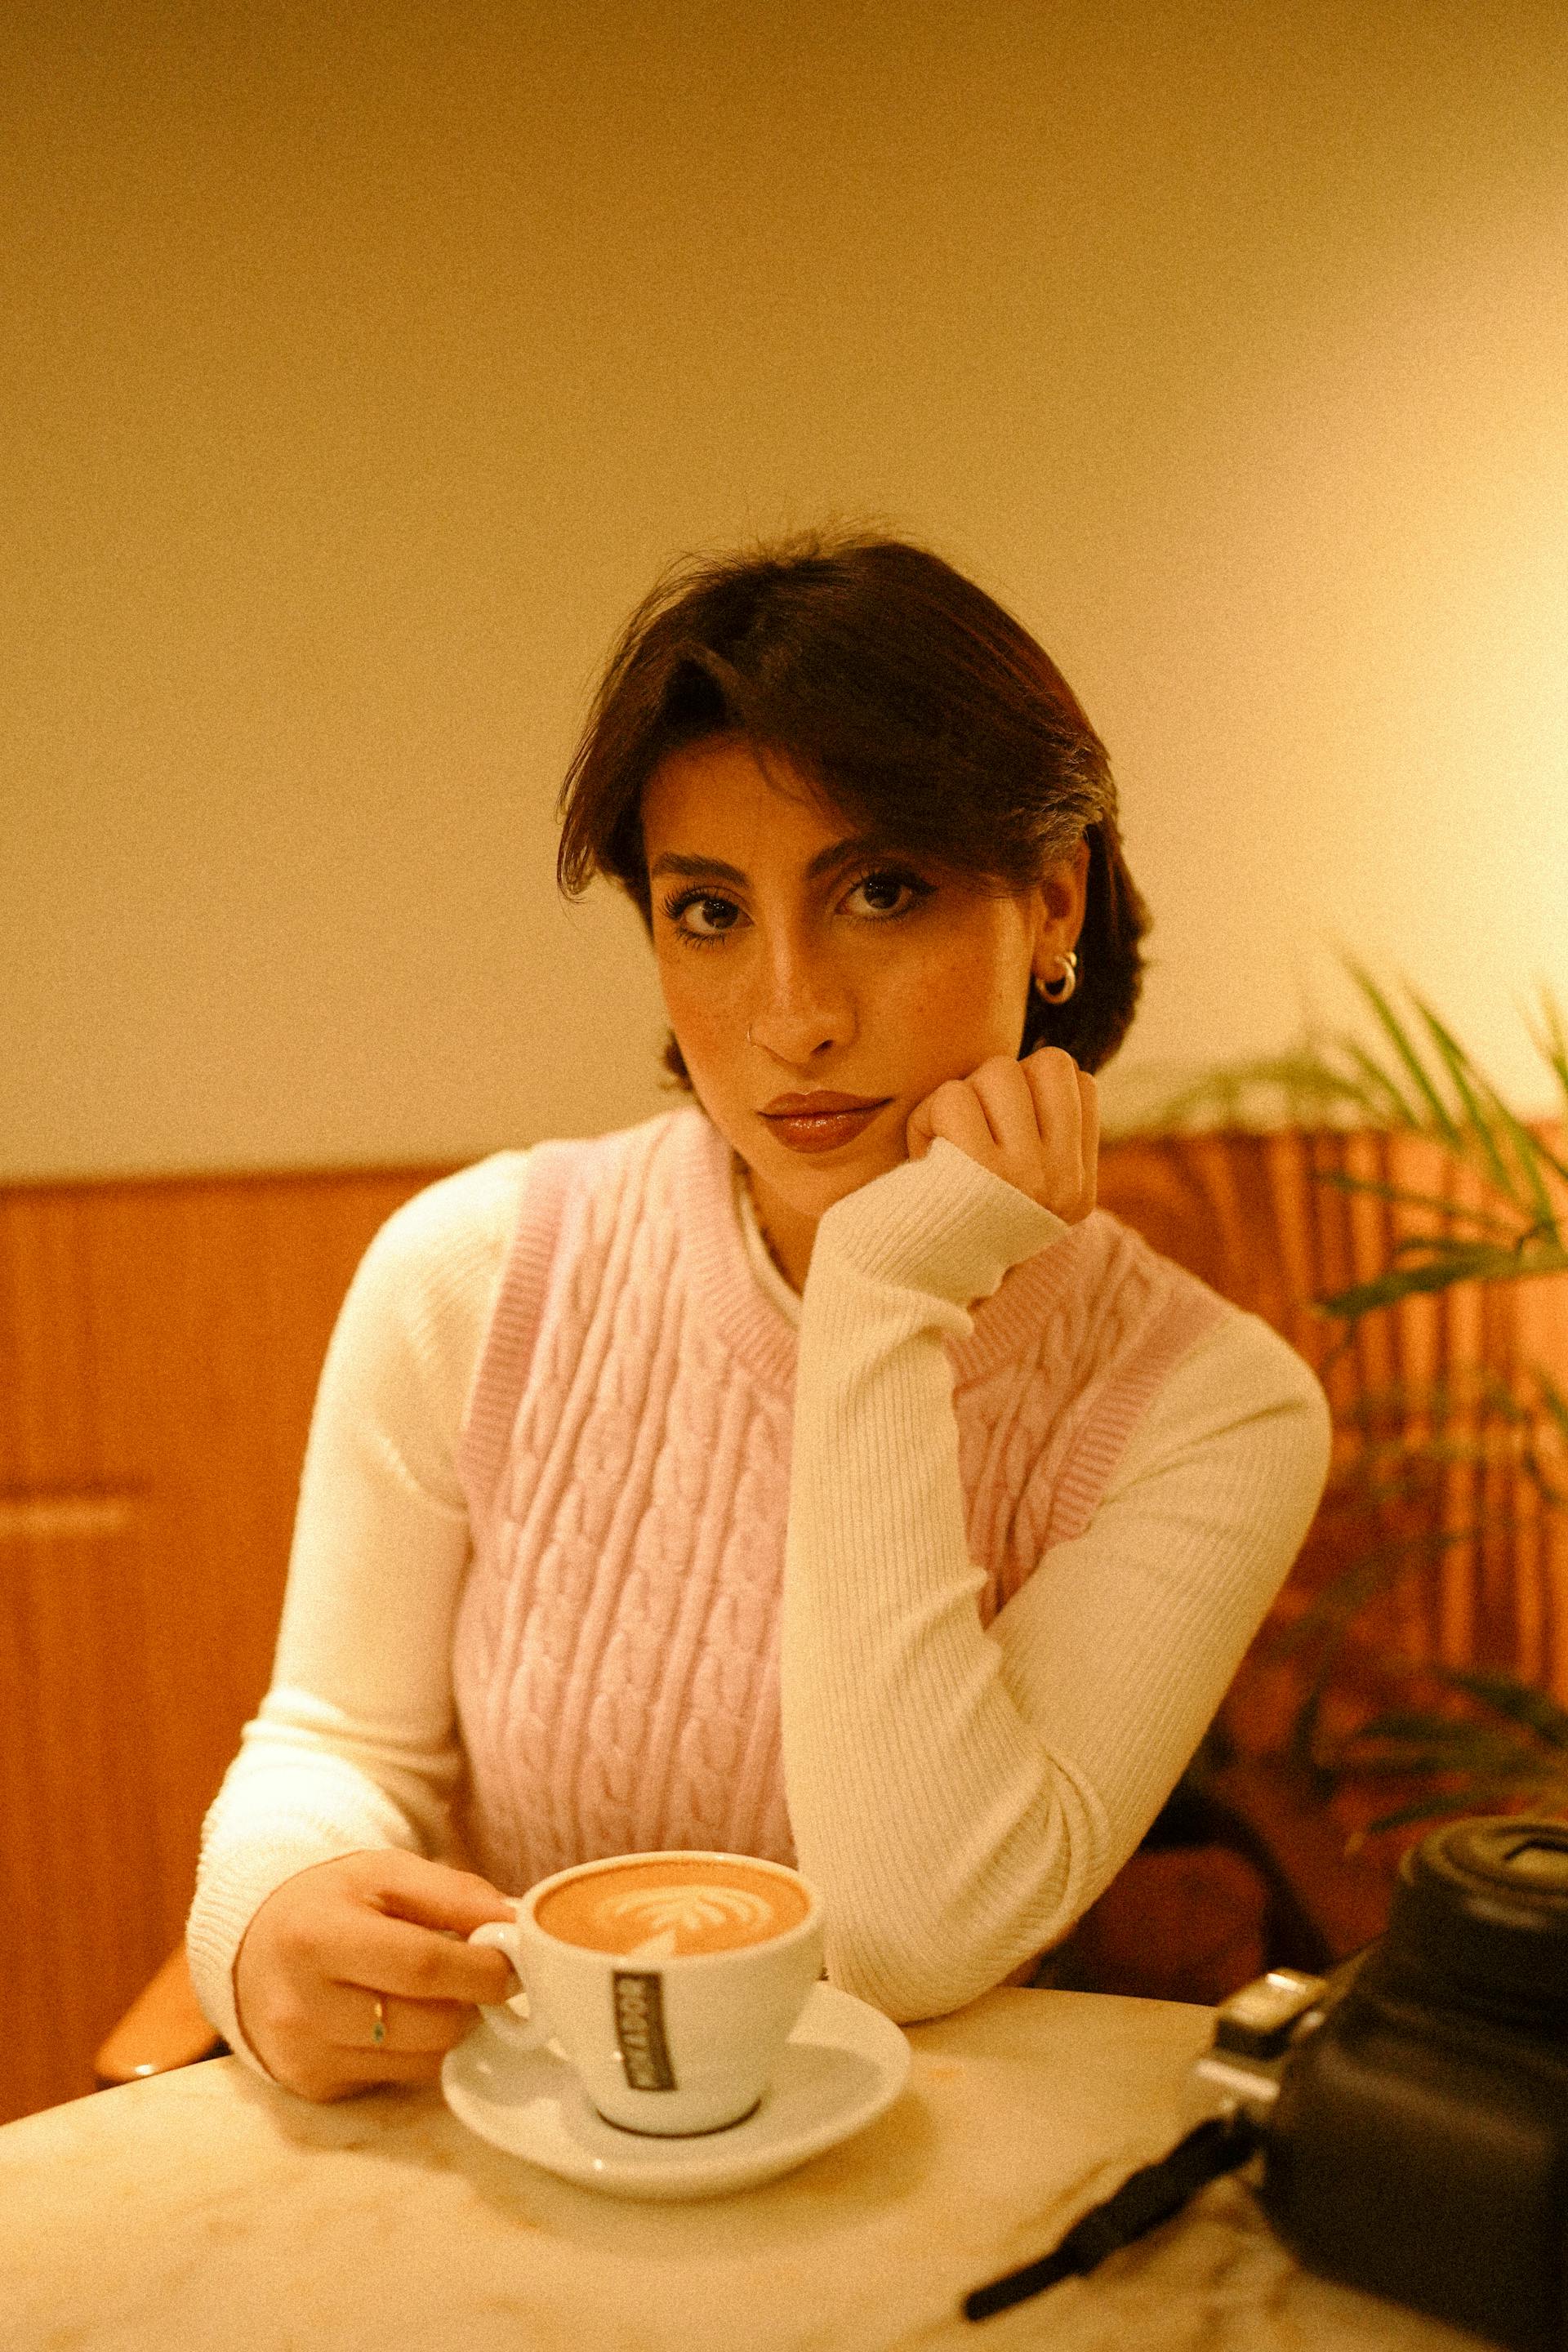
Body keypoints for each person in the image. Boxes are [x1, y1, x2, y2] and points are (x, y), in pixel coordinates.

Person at [189, 532, 1331, 2103]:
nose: (793, 1014)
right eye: (709, 913)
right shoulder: (473, 1274)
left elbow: (913, 1935)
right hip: (525, 2163)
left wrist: (880, 1297)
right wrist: (261, 1921)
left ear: (1053, 899)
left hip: (934, 2210)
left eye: (881, 890)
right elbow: (338, 1744)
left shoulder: (1211, 1406)